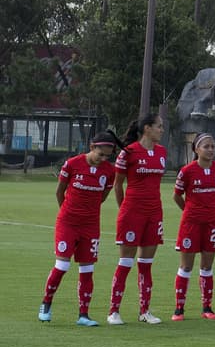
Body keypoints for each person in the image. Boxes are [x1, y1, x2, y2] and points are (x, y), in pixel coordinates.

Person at [39, 131, 119, 326]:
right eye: (100, 154)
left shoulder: (109, 171)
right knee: (63, 265)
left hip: (90, 225)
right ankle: (46, 304)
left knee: (87, 268)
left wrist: (87, 214)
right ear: (92, 147)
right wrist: (68, 213)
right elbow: (60, 192)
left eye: (107, 156)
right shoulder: (73, 164)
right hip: (68, 222)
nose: (103, 159)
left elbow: (103, 196)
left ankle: (83, 315)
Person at [108, 114, 168, 326]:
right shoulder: (129, 153)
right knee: (125, 262)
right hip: (132, 213)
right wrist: (125, 209)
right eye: (159, 126)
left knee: (146, 264)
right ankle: (114, 311)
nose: (162, 130)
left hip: (154, 213)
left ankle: (145, 311)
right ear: (147, 129)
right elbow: (118, 185)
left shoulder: (161, 152)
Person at [171, 133, 215, 321]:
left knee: (207, 266)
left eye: (213, 146)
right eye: (206, 147)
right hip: (191, 223)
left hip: (212, 222)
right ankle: (179, 309)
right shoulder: (187, 171)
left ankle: (207, 307)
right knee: (186, 266)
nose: (211, 150)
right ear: (196, 149)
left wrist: (208, 209)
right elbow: (177, 196)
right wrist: (190, 211)